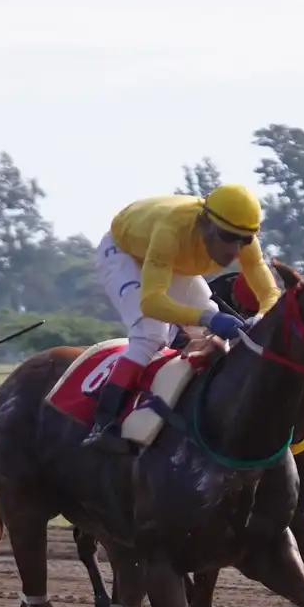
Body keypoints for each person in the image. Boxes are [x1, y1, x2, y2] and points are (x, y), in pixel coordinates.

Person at [82, 183, 281, 453]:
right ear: (207, 224)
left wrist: (261, 317)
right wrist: (207, 318)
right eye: (227, 237)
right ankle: (102, 425)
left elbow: (270, 294)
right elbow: (152, 303)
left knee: (209, 329)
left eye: (244, 240)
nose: (235, 249)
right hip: (125, 251)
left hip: (167, 259)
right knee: (150, 334)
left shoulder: (241, 233)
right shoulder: (171, 231)